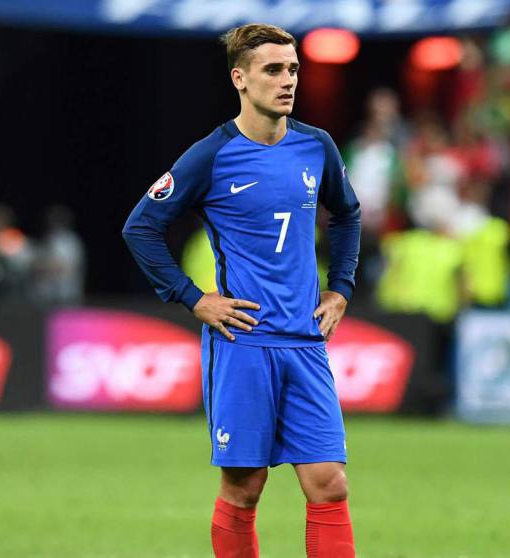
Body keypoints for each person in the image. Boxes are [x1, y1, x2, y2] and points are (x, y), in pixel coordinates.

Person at [122, 23, 361, 558]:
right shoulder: (211, 155)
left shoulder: (316, 146)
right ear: (240, 79)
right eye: (273, 70)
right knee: (245, 488)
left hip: (305, 341)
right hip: (244, 341)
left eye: (293, 69)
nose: (287, 80)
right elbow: (141, 227)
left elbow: (347, 214)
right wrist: (193, 298)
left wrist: (341, 288)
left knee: (330, 484)